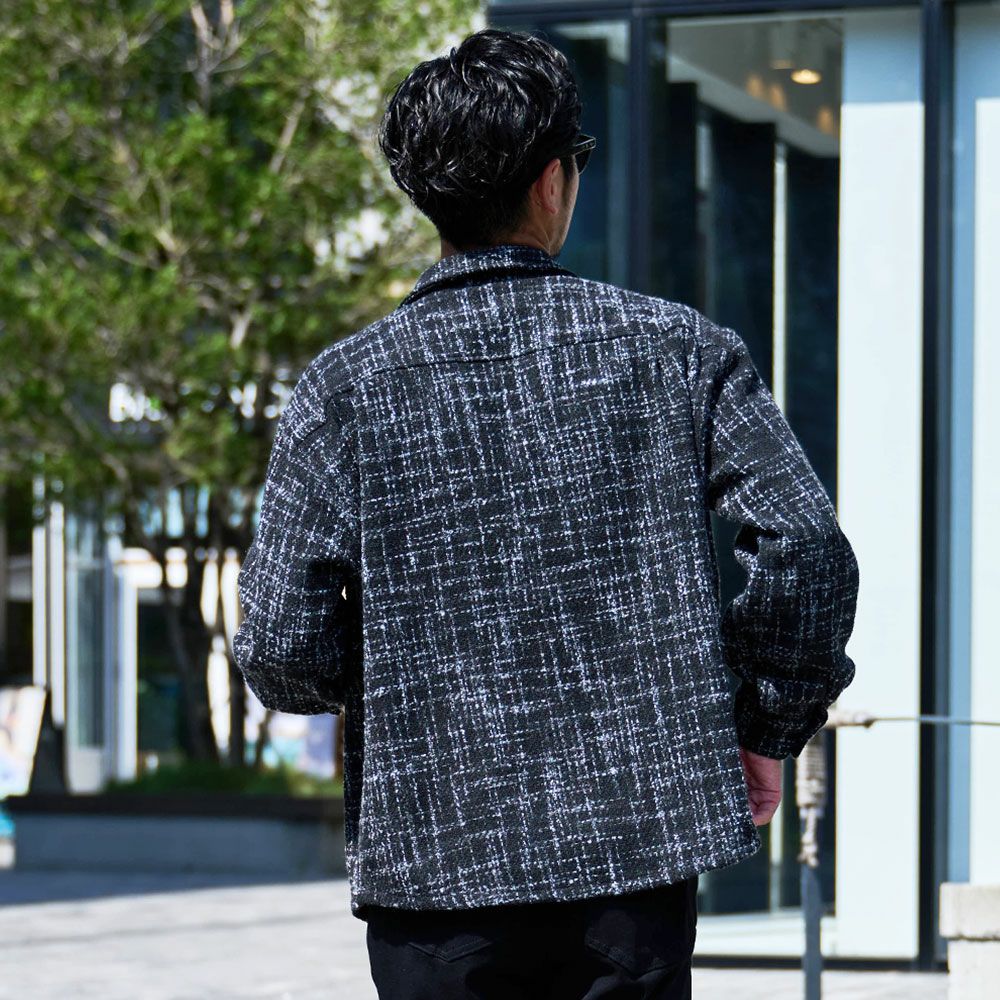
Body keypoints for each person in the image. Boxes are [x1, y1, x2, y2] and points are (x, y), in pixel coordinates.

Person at [233, 26, 860, 1000]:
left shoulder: (345, 387)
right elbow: (805, 546)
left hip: (435, 861)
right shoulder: (678, 350)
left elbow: (282, 649)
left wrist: (412, 674)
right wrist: (764, 724)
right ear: (550, 181)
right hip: (636, 852)